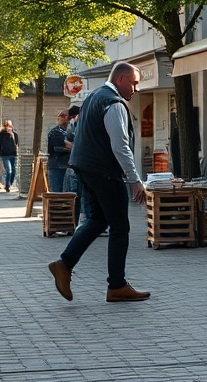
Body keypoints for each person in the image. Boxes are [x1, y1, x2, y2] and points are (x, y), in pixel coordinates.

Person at [48, 62, 150, 303]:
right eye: (134, 83)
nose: (136, 88)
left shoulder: (94, 97)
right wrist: (134, 180)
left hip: (85, 168)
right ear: (122, 80)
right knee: (120, 227)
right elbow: (120, 146)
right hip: (105, 172)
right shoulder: (113, 103)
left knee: (98, 219)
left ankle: (64, 264)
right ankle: (117, 285)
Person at [64, 104, 88, 223]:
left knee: (76, 194)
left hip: (75, 164)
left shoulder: (75, 125)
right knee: (80, 194)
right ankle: (81, 220)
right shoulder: (79, 124)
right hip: (80, 164)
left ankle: (77, 220)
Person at [46, 110, 71, 193]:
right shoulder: (55, 132)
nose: (63, 118)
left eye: (66, 116)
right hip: (57, 165)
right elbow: (58, 147)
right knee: (57, 193)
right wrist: (70, 147)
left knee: (65, 194)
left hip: (65, 165)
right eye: (62, 116)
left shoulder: (69, 131)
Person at [0, 120, 19, 192]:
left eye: (9, 126)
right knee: (9, 170)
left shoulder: (14, 134)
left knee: (14, 171)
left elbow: (16, 144)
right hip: (4, 154)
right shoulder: (1, 134)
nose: (8, 128)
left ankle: (9, 183)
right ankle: (7, 185)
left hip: (13, 154)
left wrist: (12, 136)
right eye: (6, 126)